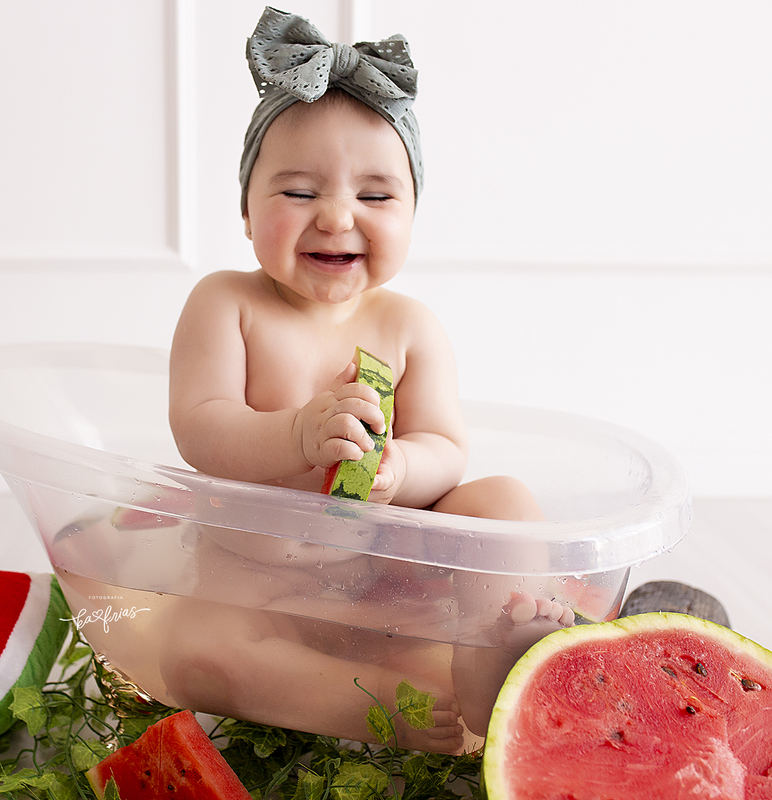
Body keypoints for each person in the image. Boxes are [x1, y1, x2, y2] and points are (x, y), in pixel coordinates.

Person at [163, 7, 573, 750]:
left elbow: (446, 445)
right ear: (246, 211)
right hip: (253, 585)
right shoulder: (228, 304)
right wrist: (295, 432)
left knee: (505, 501)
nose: (335, 216)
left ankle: (490, 655)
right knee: (197, 649)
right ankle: (379, 699)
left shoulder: (408, 326)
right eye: (297, 193)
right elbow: (200, 426)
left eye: (376, 196)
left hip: (390, 588)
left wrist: (402, 468)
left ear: (413, 213)